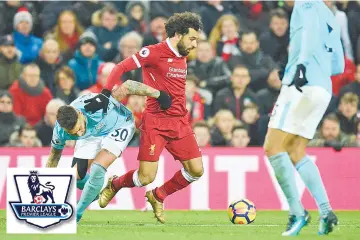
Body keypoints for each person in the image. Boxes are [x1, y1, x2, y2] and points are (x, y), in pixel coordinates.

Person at [83, 12, 203, 223]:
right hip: (155, 123)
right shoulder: (153, 52)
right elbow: (121, 67)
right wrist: (105, 94)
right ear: (178, 34)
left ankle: (158, 195)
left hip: (179, 122)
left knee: (196, 170)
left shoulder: (182, 55)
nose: (195, 44)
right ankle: (115, 184)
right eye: (192, 38)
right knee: (146, 177)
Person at [264, 1, 344, 236]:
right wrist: (308, 66)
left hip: (302, 84)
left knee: (272, 147)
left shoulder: (306, 3)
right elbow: (338, 64)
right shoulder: (332, 17)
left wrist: (300, 66)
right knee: (296, 150)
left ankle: (297, 213)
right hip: (322, 88)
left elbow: (308, 30)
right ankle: (326, 211)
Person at [45, 80, 172, 223]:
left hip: (119, 126)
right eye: (74, 133)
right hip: (92, 134)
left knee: (97, 169)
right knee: (76, 176)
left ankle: (76, 214)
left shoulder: (98, 106)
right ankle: (94, 191)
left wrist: (158, 94)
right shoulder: (61, 131)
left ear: (80, 113)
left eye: (79, 128)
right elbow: (53, 158)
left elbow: (128, 85)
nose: (78, 134)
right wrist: (48, 183)